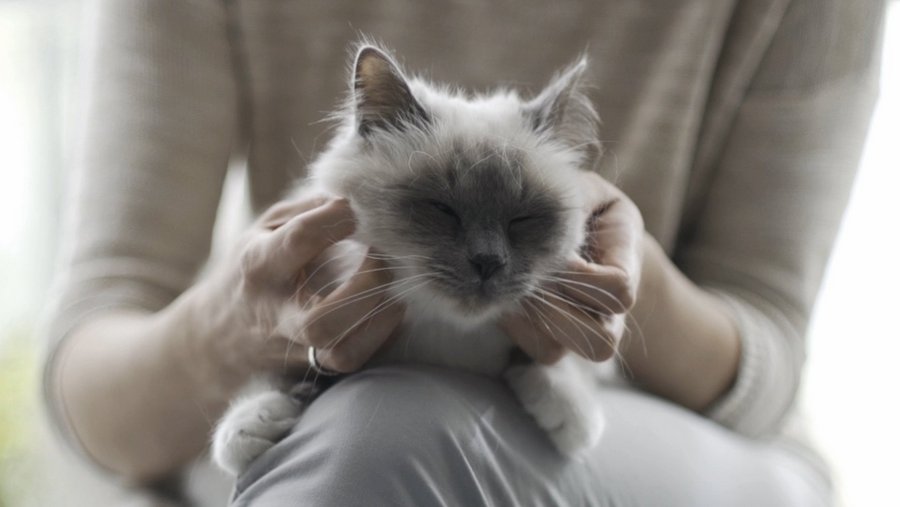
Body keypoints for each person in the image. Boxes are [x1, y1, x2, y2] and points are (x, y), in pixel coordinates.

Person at [44, 0, 885, 505]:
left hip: (700, 442)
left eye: (516, 224)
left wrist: (624, 288)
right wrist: (228, 336)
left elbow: (771, 347)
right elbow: (93, 370)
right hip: (332, 431)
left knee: (378, 437)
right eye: (443, 215)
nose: (484, 256)